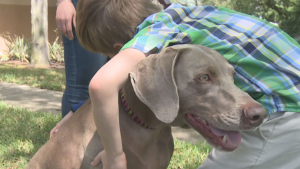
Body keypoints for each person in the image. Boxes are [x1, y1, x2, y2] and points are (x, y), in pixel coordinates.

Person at [65, 0, 300, 169]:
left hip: (286, 113)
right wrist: (78, 110)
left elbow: (101, 85)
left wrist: (116, 158)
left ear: (121, 49)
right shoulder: (184, 14)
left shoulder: (151, 34)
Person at [55, 0, 108, 118]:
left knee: (115, 87)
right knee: (82, 89)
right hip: (86, 6)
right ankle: (69, 136)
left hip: (121, 7)